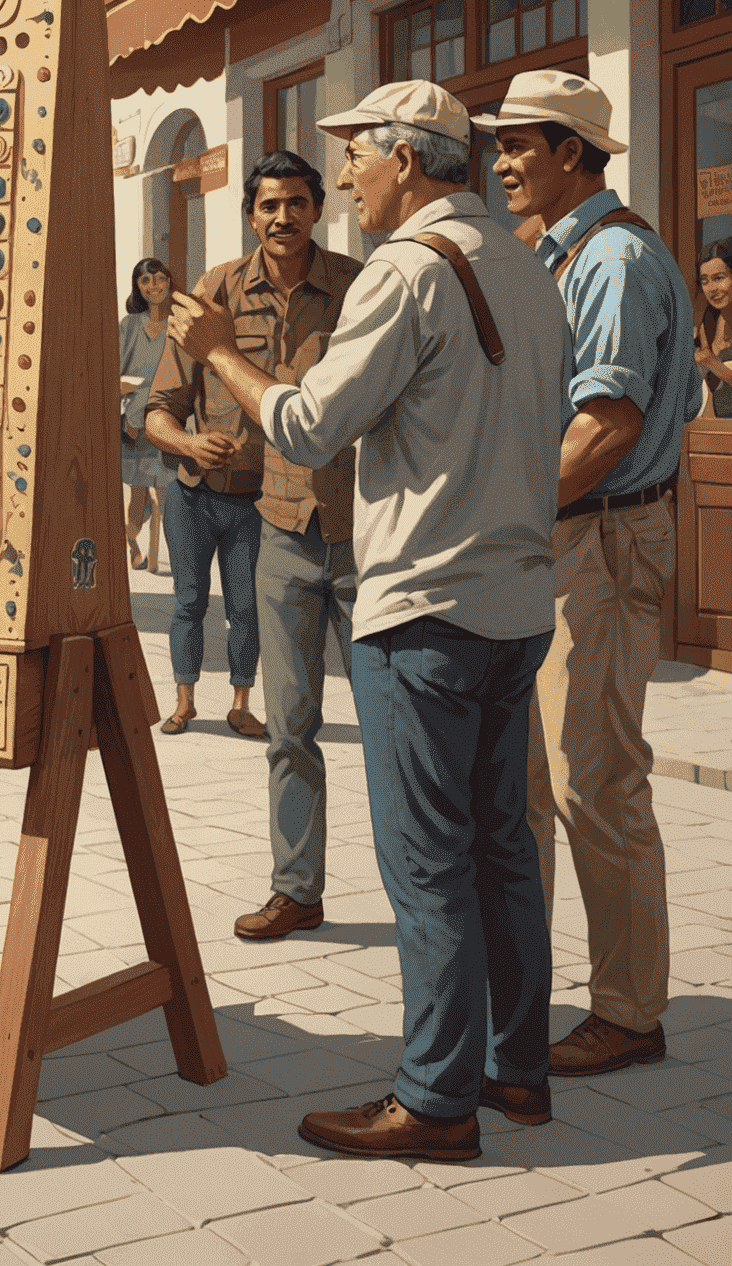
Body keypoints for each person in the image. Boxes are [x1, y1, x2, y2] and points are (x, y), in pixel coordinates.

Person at [172, 80, 569, 1161]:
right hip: (513, 599)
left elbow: (307, 420)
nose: (345, 176)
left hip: (427, 605)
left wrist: (216, 349)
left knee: (429, 864)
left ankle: (436, 1101)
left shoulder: (406, 271)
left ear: (409, 157)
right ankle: (514, 1071)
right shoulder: (527, 264)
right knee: (502, 851)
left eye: (358, 155)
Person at [476, 70, 702, 1078]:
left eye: (520, 143)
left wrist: (502, 513)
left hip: (599, 540)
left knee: (594, 783)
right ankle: (552, 991)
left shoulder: (609, 261)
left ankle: (629, 1013)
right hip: (576, 537)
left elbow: (606, 426)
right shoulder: (579, 253)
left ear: (572, 151)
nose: (502, 163)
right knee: (537, 779)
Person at [222, 153, 364, 943]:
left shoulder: (361, 284)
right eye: (271, 204)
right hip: (279, 530)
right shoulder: (220, 289)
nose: (284, 216)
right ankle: (295, 889)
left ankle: (420, 892)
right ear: (252, 214)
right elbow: (169, 394)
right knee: (289, 726)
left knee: (391, 724)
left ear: (318, 209)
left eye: (298, 202)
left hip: (362, 530)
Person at [144, 245, 267, 742]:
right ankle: (184, 702)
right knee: (188, 603)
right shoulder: (194, 341)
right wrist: (190, 442)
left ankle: (241, 703)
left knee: (246, 608)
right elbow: (157, 414)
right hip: (192, 496)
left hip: (253, 501)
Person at [119, 258, 174, 572]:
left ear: (168, 281)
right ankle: (133, 545)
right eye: (145, 281)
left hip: (169, 421)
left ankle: (168, 556)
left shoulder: (177, 324)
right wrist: (132, 415)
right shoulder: (129, 326)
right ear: (137, 287)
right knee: (139, 499)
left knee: (169, 496)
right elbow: (115, 375)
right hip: (135, 425)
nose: (154, 286)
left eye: (159, 278)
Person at [696, 238, 732, 418]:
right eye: (705, 281)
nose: (712, 289)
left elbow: (711, 364)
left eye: (719, 278)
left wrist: (711, 362)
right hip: (716, 426)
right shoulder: (709, 322)